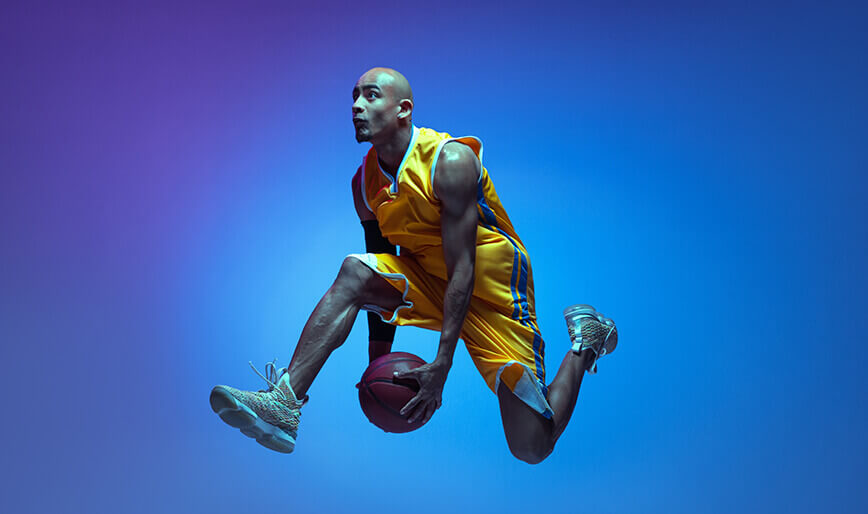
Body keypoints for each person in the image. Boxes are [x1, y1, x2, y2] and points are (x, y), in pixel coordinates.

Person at [209, 67, 618, 464]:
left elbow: (463, 269)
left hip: (492, 291)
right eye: (354, 96)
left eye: (371, 95)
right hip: (429, 280)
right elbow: (377, 272)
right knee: (355, 269)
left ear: (403, 109)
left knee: (531, 446)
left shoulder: (450, 161)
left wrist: (442, 364)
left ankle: (586, 343)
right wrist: (377, 363)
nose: (356, 105)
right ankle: (284, 402)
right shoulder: (364, 185)